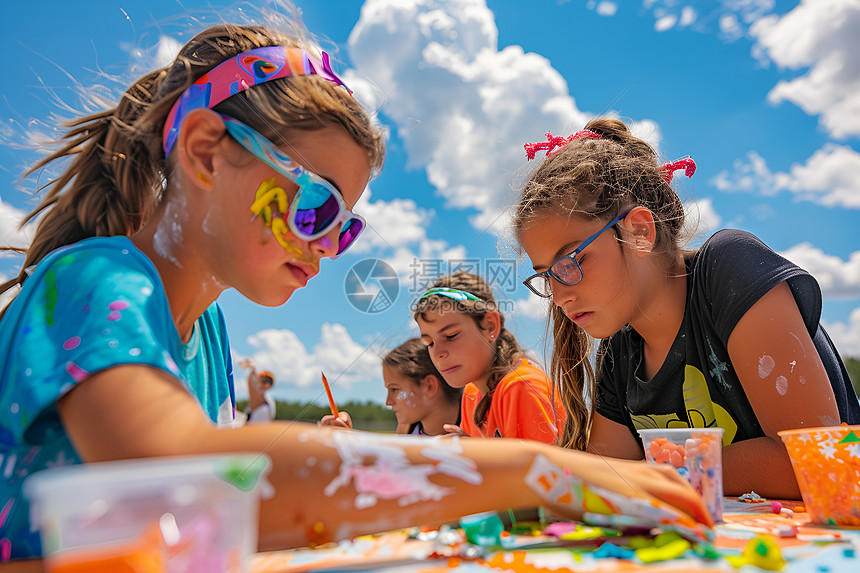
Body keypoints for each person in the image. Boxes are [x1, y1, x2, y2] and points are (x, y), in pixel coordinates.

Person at [0, 24, 712, 565]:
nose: (323, 243)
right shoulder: (92, 282)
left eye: (342, 228)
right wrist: (539, 469)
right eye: (315, 206)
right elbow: (187, 479)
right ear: (205, 149)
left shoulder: (204, 329)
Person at [513, 119, 860, 500]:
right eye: (547, 276)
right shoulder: (620, 354)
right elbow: (603, 481)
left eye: (570, 262)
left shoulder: (729, 270)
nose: (560, 296)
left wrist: (648, 475)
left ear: (640, 232)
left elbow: (815, 460)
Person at [414, 271, 566, 443]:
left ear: (490, 326)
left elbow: (538, 468)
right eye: (429, 343)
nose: (438, 353)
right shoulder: (472, 393)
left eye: (451, 335)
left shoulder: (520, 386)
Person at [384, 338, 463, 436]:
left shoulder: (478, 419)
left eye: (394, 389)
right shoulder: (406, 429)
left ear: (429, 386)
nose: (388, 402)